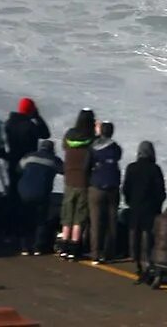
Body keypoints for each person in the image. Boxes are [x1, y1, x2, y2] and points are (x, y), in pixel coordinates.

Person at [122, 140, 165, 274]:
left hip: (135, 206)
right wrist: (157, 205)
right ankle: (147, 262)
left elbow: (125, 188)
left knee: (134, 232)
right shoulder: (155, 169)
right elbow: (160, 191)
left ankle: (135, 259)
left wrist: (129, 202)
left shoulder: (131, 167)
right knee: (148, 235)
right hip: (150, 208)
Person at [58, 109, 96, 259]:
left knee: (67, 214)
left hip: (69, 179)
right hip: (83, 180)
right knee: (79, 216)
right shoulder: (91, 139)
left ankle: (63, 247)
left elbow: (64, 147)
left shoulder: (69, 136)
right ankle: (74, 249)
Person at [15, 137, 61, 254]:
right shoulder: (53, 160)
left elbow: (18, 169)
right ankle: (38, 247)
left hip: (24, 192)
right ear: (52, 150)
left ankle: (24, 247)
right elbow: (65, 170)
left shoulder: (29, 156)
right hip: (42, 193)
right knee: (41, 220)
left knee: (25, 218)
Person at [87, 120, 123, 263]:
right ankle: (110, 253)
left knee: (96, 222)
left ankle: (95, 254)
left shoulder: (93, 147)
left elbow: (88, 163)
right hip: (113, 187)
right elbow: (117, 156)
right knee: (112, 221)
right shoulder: (116, 148)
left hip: (96, 187)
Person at [4, 97, 49, 191]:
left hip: (12, 160)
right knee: (26, 189)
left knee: (13, 188)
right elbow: (46, 134)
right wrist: (37, 117)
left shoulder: (9, 123)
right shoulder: (30, 125)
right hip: (28, 161)